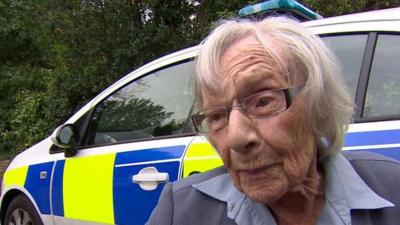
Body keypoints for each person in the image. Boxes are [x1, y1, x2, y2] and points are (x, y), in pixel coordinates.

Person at [146, 16, 400, 225]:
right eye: (217, 116)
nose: (236, 137)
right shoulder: (180, 212)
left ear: (317, 104)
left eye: (263, 101)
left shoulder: (393, 188)